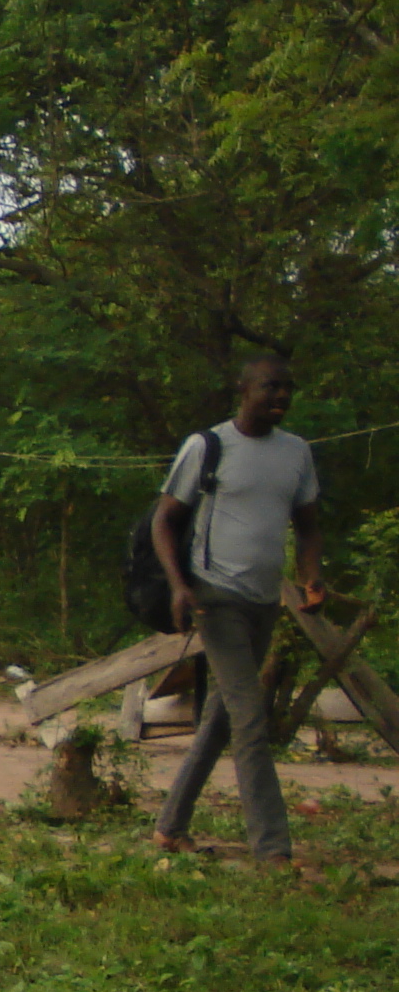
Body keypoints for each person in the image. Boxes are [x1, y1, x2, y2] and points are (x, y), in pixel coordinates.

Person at [152, 353, 323, 863]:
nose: (282, 397)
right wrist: (179, 586)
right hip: (215, 597)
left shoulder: (296, 452)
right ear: (243, 389)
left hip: (265, 602)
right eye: (271, 387)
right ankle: (272, 850)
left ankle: (170, 825)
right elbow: (164, 520)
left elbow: (310, 522)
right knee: (251, 719)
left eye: (288, 389)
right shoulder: (209, 446)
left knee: (223, 718)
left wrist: (312, 575)